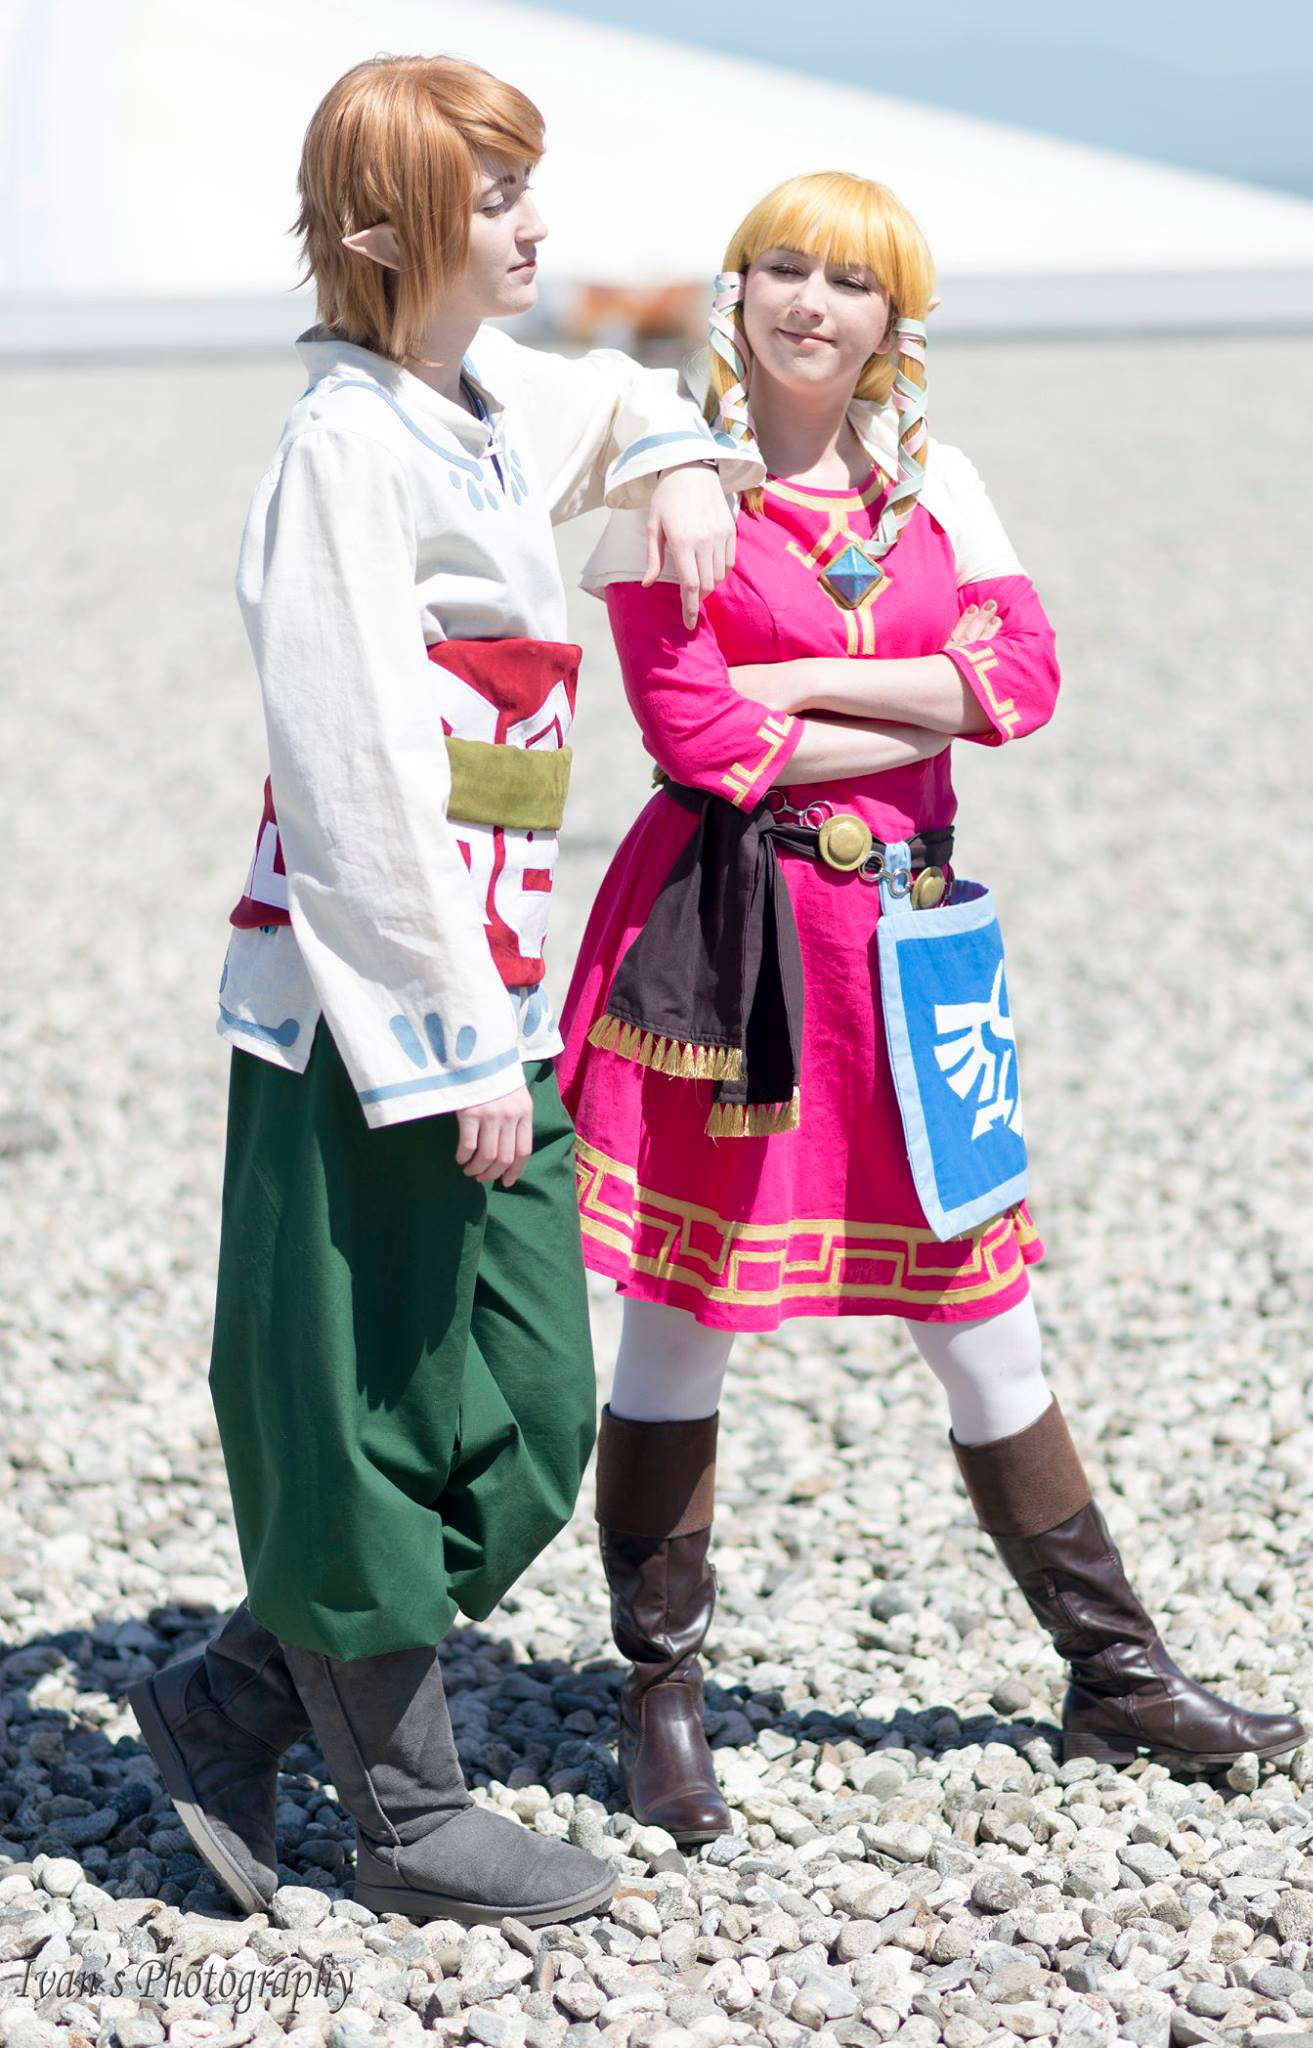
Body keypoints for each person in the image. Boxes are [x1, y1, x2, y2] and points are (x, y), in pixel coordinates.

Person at [557, 170, 1305, 1843]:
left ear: (894, 317)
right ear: (735, 290)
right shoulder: (674, 485)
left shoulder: (936, 483)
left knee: (981, 1309)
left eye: (850, 280)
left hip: (908, 939)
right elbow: (696, 738)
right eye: (782, 268)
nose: (810, 302)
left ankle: (1114, 1674)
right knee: (685, 1308)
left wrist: (811, 680)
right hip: (732, 941)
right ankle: (659, 1696)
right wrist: (921, 707)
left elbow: (1021, 681)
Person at [127, 54, 757, 1927]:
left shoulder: (473, 401)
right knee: (369, 1395)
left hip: (499, 966)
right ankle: (404, 1812)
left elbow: (619, 397)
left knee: (533, 1401)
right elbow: (348, 765)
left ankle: (235, 1695)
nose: (536, 226)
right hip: (375, 996)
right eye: (494, 200)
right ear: (388, 227)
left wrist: (678, 456)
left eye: (525, 187)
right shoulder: (342, 444)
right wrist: (444, 1038)